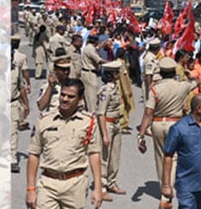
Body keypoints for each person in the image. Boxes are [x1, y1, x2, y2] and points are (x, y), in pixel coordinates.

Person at [26, 79, 104, 209]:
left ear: (80, 99)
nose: (65, 99)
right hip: (48, 183)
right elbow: (33, 154)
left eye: (70, 96)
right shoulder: (44, 120)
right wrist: (30, 189)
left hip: (75, 184)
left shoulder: (88, 122)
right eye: (63, 95)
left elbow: (94, 154)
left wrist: (98, 188)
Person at [160, 94, 201, 209]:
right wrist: (166, 185)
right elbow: (168, 156)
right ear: (199, 108)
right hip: (186, 183)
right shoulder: (179, 128)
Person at [137, 57, 197, 184]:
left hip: (158, 124)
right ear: (174, 71)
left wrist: (141, 135)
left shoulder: (155, 89)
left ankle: (163, 185)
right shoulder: (182, 86)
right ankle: (168, 185)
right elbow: (196, 82)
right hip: (175, 123)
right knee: (173, 156)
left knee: (160, 157)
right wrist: (186, 74)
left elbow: (148, 113)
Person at [97, 60, 125, 201]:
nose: (119, 74)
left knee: (115, 156)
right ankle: (101, 187)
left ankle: (111, 182)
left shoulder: (115, 87)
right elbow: (101, 113)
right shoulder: (106, 90)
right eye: (117, 72)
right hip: (107, 124)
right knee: (105, 158)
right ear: (112, 74)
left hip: (116, 123)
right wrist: (104, 135)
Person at [36, 49, 72, 117]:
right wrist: (50, 87)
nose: (66, 72)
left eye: (67, 69)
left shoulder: (72, 85)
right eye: (63, 70)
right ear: (55, 70)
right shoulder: (47, 86)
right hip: (53, 119)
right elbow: (41, 106)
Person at [10, 50, 29, 173]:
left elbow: (21, 87)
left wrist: (26, 104)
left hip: (12, 104)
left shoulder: (15, 70)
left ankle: (12, 159)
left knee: (13, 133)